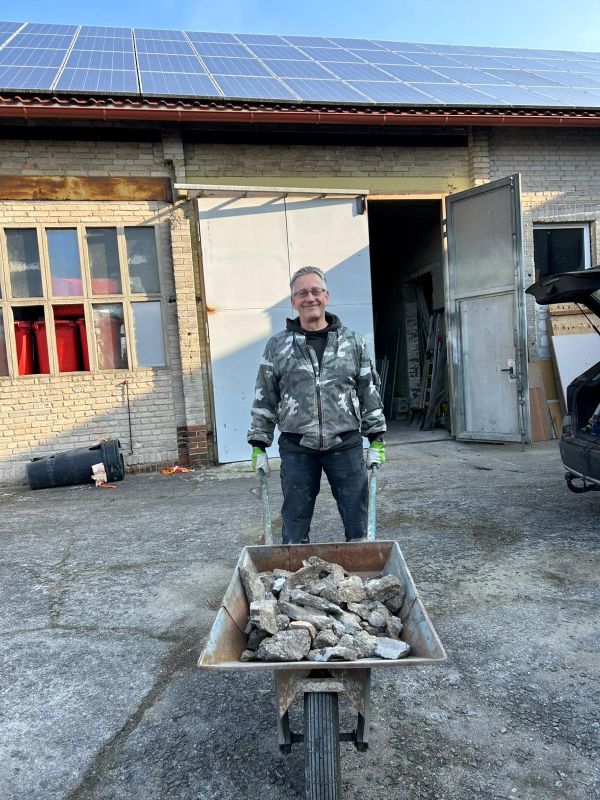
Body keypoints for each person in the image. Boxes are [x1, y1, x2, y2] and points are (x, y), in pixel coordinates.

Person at [248, 266, 386, 544]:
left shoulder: (353, 342)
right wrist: (258, 445)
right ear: (293, 301)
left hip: (344, 444)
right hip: (297, 448)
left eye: (315, 291)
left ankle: (361, 565)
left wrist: (376, 440)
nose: (310, 297)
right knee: (294, 525)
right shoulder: (278, 346)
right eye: (302, 293)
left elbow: (368, 391)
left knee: (357, 522)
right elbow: (265, 395)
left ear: (326, 296)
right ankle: (293, 569)